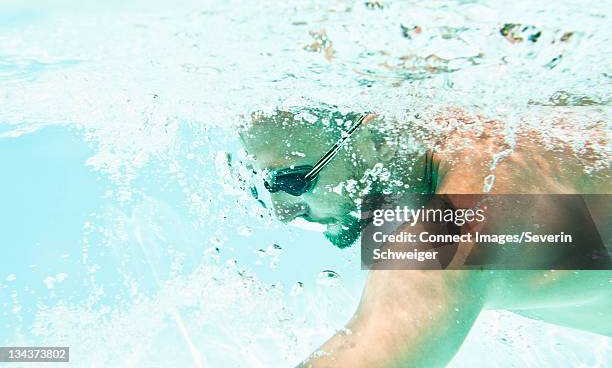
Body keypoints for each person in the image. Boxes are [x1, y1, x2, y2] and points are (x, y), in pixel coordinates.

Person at [238, 105, 611, 367]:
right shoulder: (462, 143)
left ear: (374, 136)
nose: (282, 213)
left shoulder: (468, 211)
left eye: (294, 181)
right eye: (263, 187)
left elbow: (367, 352)